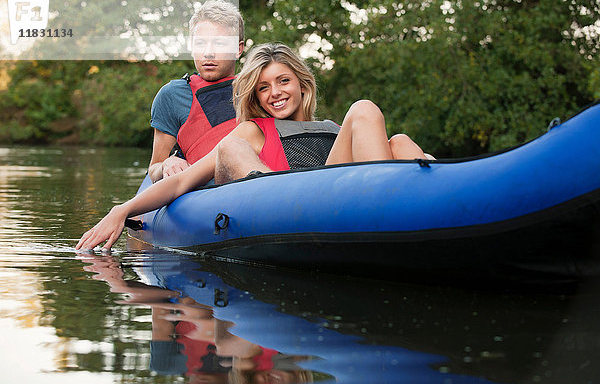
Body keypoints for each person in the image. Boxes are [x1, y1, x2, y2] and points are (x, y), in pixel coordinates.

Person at [76, 43, 431, 252]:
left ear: (302, 84)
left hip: (342, 196)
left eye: (283, 81)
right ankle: (394, 210)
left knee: (396, 139)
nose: (275, 92)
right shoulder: (253, 130)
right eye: (263, 87)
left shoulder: (333, 129)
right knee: (231, 147)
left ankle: (429, 198)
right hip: (287, 205)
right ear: (254, 96)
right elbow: (183, 183)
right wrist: (122, 210)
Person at [148, 0, 244, 182]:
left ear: (238, 49)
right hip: (201, 194)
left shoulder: (258, 90)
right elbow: (154, 168)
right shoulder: (172, 95)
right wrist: (167, 164)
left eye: (219, 44)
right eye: (200, 44)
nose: (208, 53)